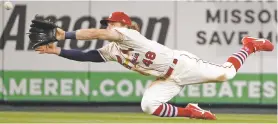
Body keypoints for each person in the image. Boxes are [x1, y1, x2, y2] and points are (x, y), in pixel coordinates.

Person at [35, 11, 274, 120]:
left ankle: (249, 46)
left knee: (226, 75)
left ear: (124, 24)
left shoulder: (127, 34)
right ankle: (190, 112)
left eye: (112, 22)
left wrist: (64, 34)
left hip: (181, 66)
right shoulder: (112, 49)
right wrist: (56, 50)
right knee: (149, 106)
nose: (108, 25)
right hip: (166, 79)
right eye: (108, 23)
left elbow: (96, 33)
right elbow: (88, 56)